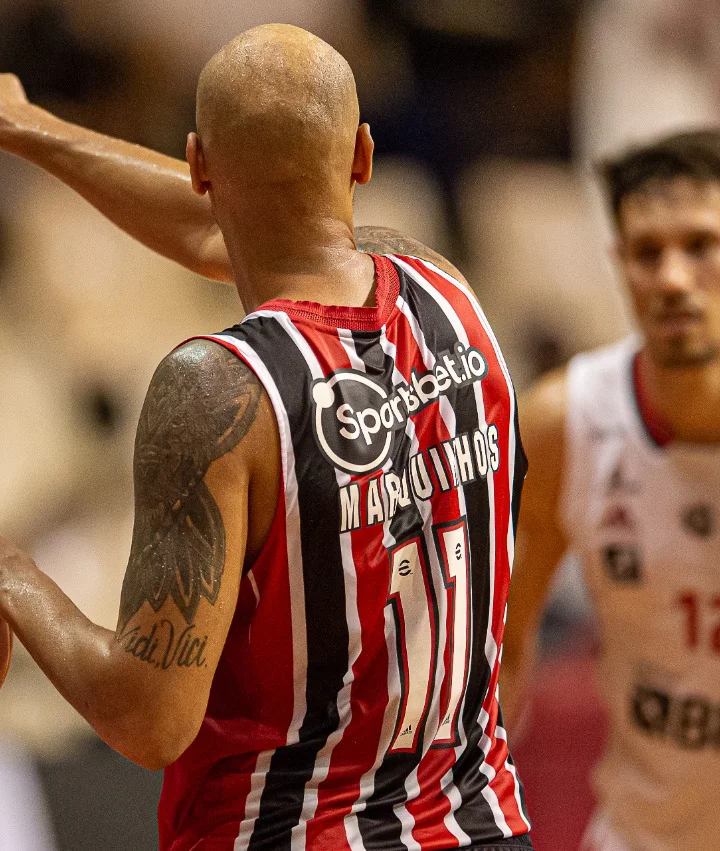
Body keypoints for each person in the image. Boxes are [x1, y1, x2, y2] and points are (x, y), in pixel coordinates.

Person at [0, 25, 533, 850]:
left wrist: (14, 577)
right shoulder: (447, 290)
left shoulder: (217, 388)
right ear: (360, 154)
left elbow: (149, 720)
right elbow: (230, 233)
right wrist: (34, 128)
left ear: (199, 163)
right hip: (478, 825)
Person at [501, 129, 720, 850]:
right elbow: (499, 662)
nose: (673, 278)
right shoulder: (568, 424)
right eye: (647, 251)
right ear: (618, 261)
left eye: (701, 245)